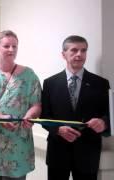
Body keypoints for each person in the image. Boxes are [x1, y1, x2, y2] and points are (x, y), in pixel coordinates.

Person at [41, 35, 110, 180]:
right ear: (63, 54)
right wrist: (58, 130)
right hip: (58, 152)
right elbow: (44, 115)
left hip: (88, 153)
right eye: (74, 50)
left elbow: (110, 114)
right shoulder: (50, 83)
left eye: (83, 50)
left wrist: (104, 122)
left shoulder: (101, 83)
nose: (79, 54)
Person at [0, 30, 42, 180]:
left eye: (14, 46)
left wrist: (30, 115)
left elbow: (36, 104)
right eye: (6, 46)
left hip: (19, 140)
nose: (11, 49)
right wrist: (0, 117)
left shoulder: (29, 75)